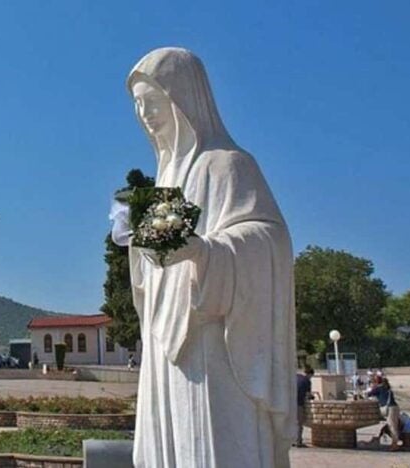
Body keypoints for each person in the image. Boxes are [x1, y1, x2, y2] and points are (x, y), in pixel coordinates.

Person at [117, 48, 296, 467]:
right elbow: (154, 270)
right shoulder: (165, 179)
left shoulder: (228, 165)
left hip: (213, 340)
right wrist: (136, 245)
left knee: (212, 444)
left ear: (185, 99)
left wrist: (205, 252)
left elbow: (270, 240)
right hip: (166, 342)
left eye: (154, 102)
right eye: (139, 105)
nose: (145, 114)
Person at [367, 375, 400, 451]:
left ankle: (394, 445)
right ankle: (394, 443)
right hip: (394, 407)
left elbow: (369, 394)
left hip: (389, 408)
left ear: (375, 382)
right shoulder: (387, 388)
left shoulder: (379, 388)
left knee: (392, 426)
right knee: (393, 426)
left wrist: (372, 388)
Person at [294, 366, 315, 447]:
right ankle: (298, 441)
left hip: (290, 402)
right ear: (310, 374)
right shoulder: (307, 381)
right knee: (299, 423)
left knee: (292, 423)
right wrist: (312, 397)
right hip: (299, 403)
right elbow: (309, 395)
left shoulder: (296, 377)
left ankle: (291, 440)